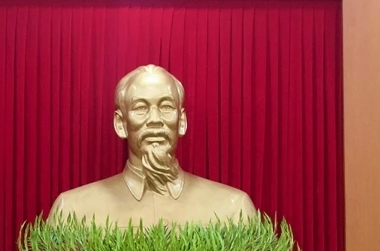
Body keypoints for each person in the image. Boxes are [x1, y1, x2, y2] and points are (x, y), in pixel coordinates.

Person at [50, 65, 255, 226]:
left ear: (182, 121)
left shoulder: (233, 210)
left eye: (166, 106)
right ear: (120, 124)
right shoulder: (72, 212)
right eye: (140, 108)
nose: (155, 120)